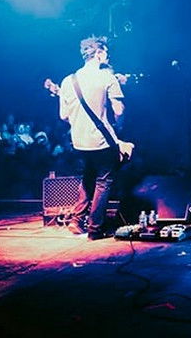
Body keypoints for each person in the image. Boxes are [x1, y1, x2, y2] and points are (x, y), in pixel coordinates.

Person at [57, 35, 133, 239]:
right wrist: (118, 127)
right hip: (101, 140)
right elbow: (119, 110)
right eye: (106, 52)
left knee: (88, 177)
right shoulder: (107, 77)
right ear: (98, 53)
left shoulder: (68, 80)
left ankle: (76, 220)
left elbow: (63, 116)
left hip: (79, 142)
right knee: (104, 181)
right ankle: (95, 229)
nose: (108, 56)